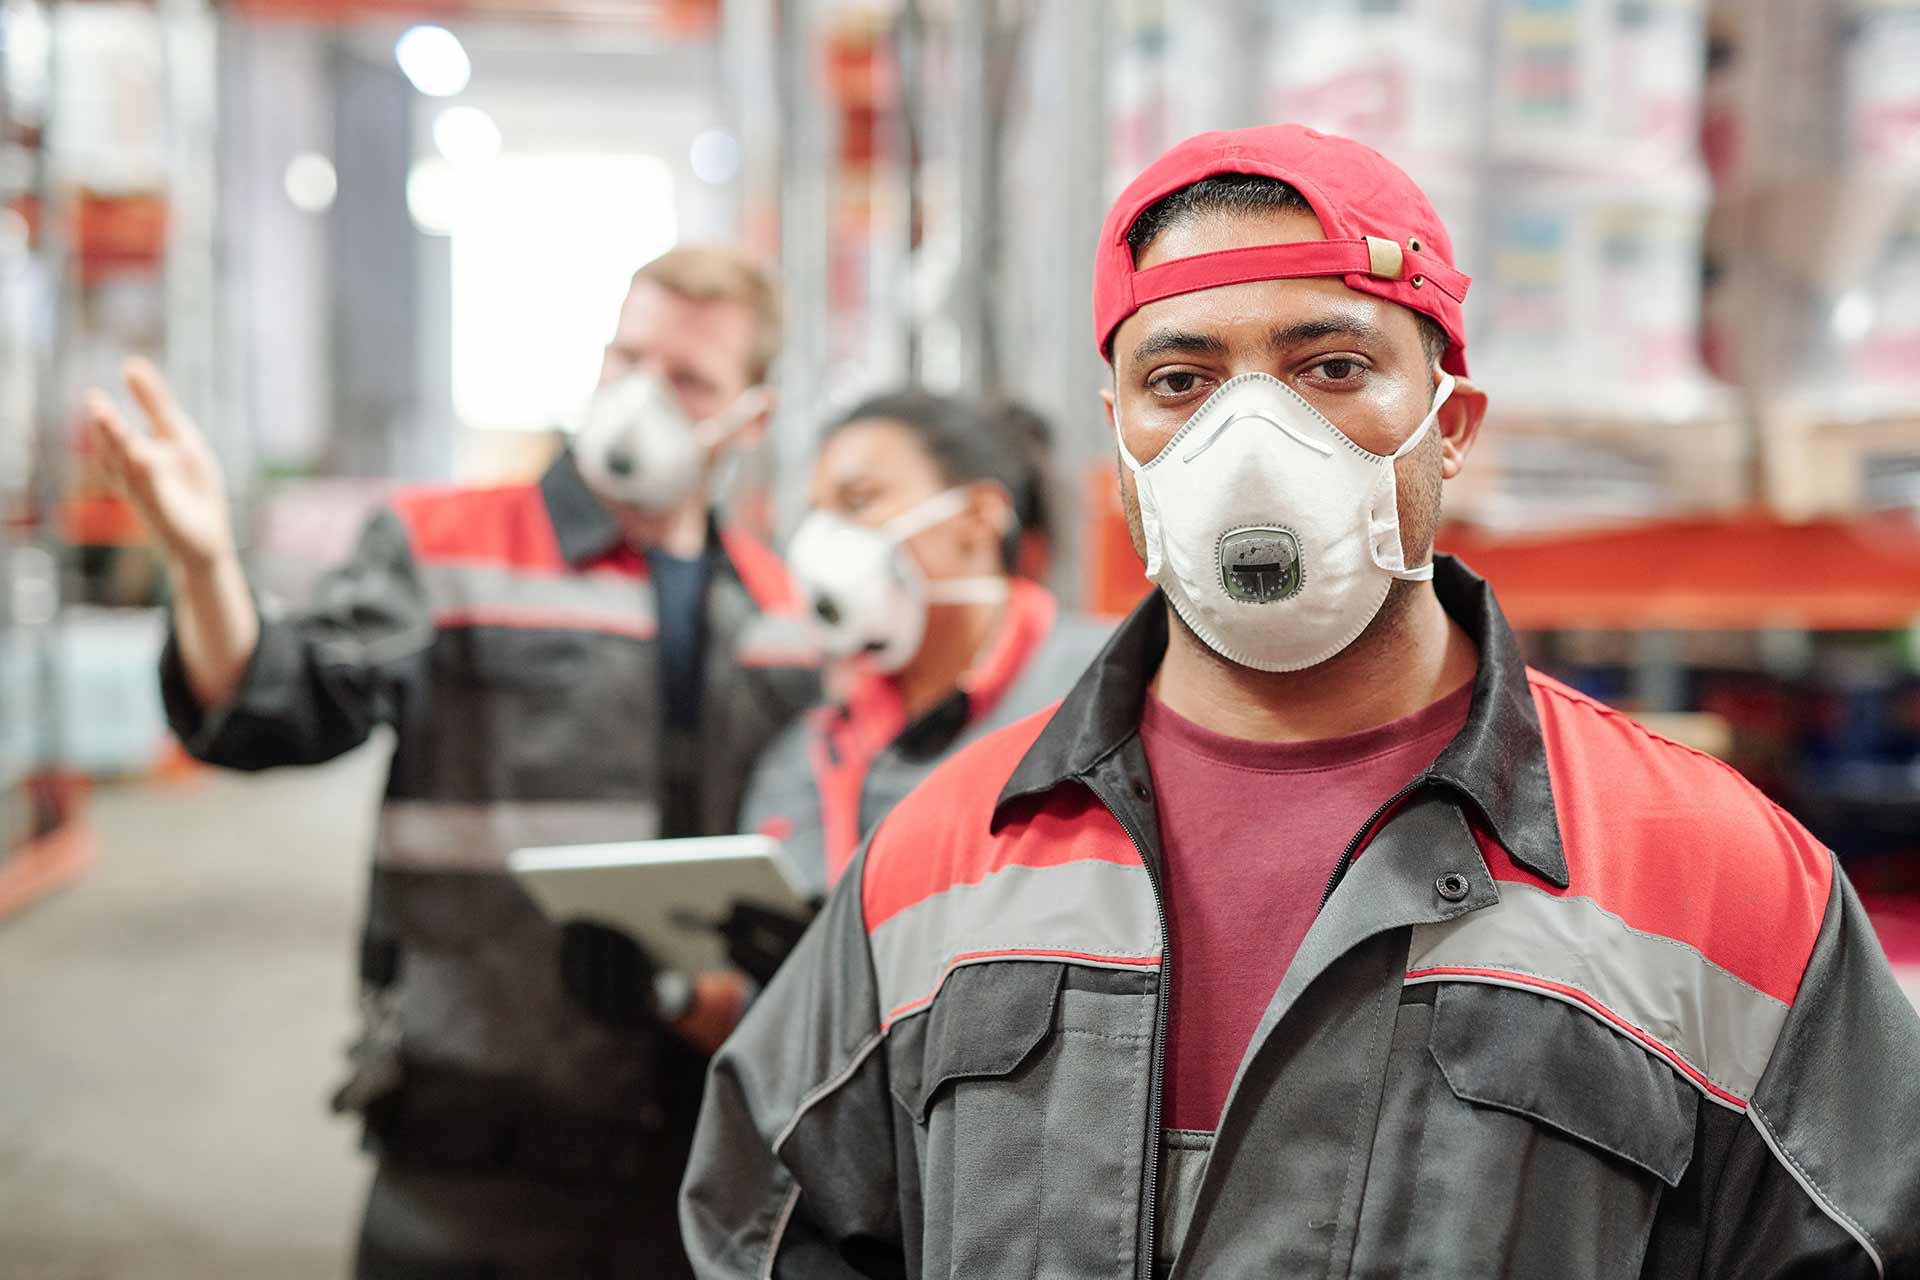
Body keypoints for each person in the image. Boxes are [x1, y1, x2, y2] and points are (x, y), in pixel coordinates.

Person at [680, 127, 1920, 1279]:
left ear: (1451, 428)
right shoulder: (946, 856)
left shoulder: (1719, 879)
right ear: (1120, 442)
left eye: (1331, 366)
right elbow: (767, 1221)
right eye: (1181, 379)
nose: (1250, 433)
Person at [87, 246, 820, 1280]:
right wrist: (208, 567)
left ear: (749, 418)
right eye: (627, 356)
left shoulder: (784, 607)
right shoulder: (444, 545)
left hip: (699, 1144)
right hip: (475, 1145)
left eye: (689, 378)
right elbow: (280, 704)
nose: (642, 394)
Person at [737, 390, 1108, 907]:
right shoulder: (806, 757)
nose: (822, 543)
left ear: (977, 518)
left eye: (859, 501)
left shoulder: (1112, 687)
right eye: (818, 513)